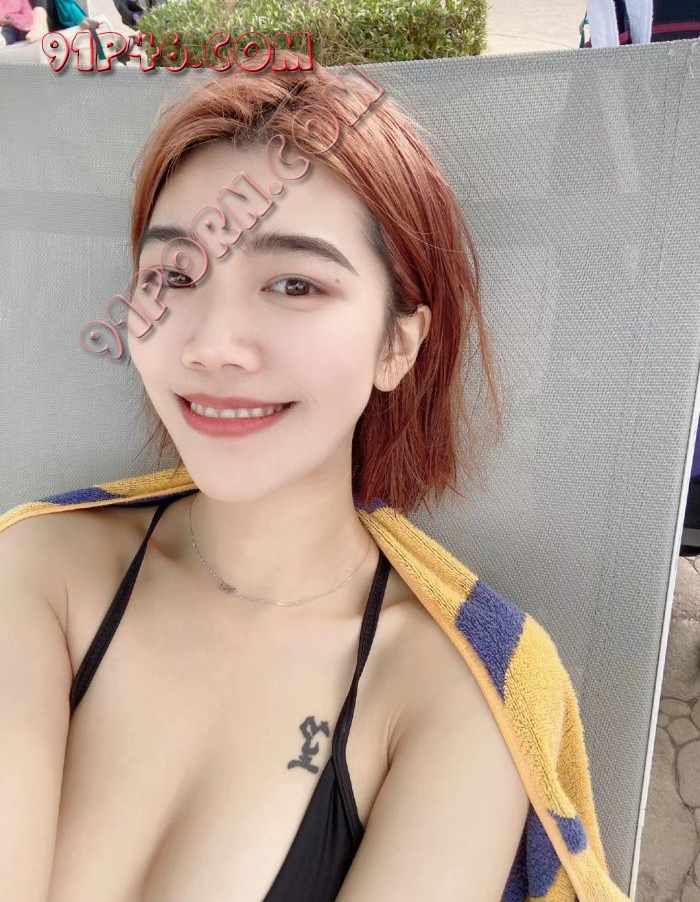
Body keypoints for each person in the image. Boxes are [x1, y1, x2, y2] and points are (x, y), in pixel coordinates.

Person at [0, 52, 630, 902]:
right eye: (173, 276)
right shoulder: (39, 570)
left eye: (294, 283)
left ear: (397, 343)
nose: (211, 344)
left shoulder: (452, 696)